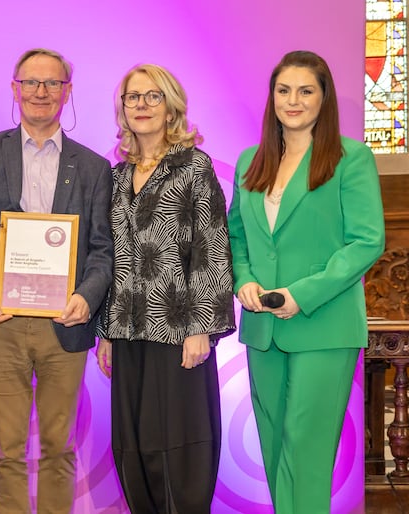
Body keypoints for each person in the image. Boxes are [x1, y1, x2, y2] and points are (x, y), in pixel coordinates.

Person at [227, 50, 385, 513]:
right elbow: (236, 235)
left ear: (324, 98)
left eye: (305, 91)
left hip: (323, 325)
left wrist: (302, 295)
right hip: (263, 328)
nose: (292, 100)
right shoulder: (248, 160)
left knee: (307, 451)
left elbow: (365, 241)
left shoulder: (349, 158)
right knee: (275, 448)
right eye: (283, 90)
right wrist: (245, 281)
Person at [0, 48, 113, 513]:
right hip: (0, 320)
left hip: (64, 324)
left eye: (52, 84)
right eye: (31, 83)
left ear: (68, 92)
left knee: (58, 448)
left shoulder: (93, 167)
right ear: (15, 89)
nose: (41, 92)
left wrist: (87, 298)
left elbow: (104, 249)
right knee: (6, 450)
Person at [95, 64, 236, 513]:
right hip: (127, 333)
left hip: (179, 333)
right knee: (134, 448)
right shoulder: (115, 177)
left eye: (152, 96)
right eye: (132, 97)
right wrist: (106, 333)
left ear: (171, 105)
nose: (141, 105)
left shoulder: (194, 166)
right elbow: (110, 257)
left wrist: (202, 327)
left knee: (180, 450)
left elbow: (212, 247)